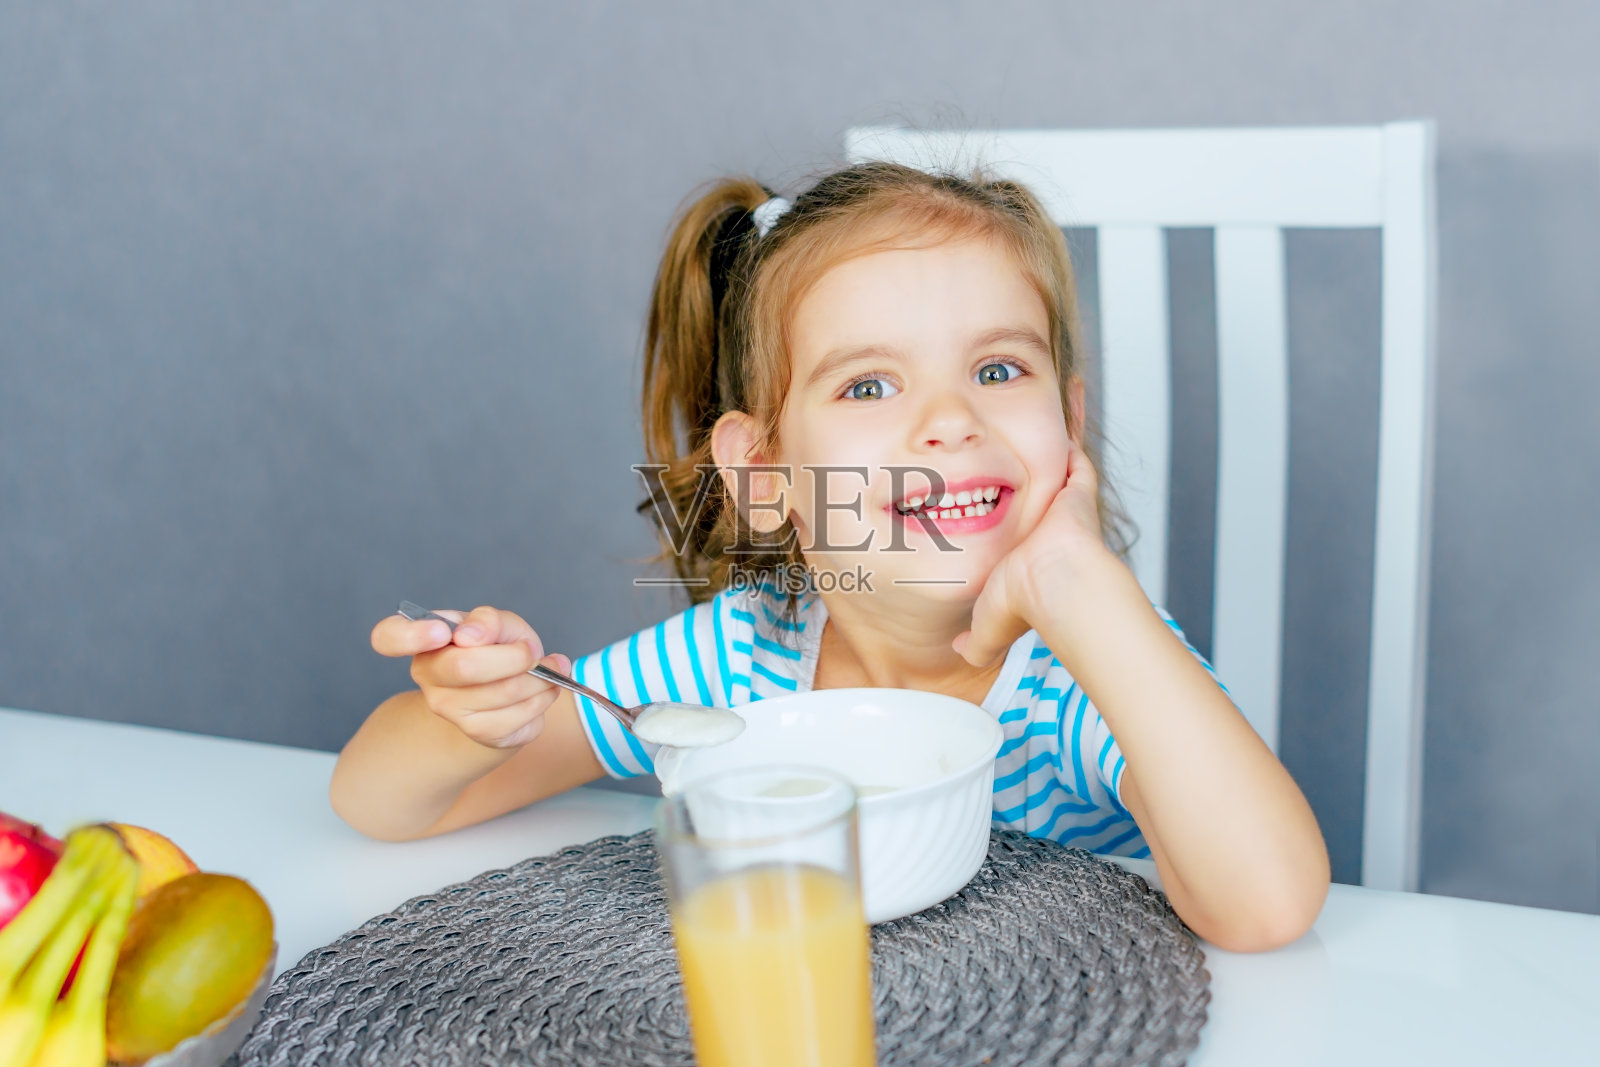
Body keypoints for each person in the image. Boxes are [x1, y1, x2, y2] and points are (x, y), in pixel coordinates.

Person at [331, 161, 1330, 952]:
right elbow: (376, 803)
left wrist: (1081, 585)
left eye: (997, 368)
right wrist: (473, 723)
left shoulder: (1092, 671)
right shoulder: (733, 663)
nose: (949, 420)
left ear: (1067, 424)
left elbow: (1268, 904)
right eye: (867, 387)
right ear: (764, 470)